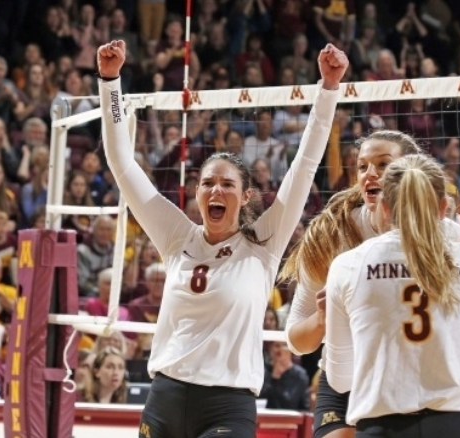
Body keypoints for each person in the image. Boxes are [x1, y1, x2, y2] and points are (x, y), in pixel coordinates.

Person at [96, 38, 347, 438]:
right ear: (196, 193)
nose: (215, 191)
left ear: (246, 196)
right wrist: (109, 81)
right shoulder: (176, 234)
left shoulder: (264, 242)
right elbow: (123, 165)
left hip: (227, 405)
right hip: (165, 397)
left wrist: (328, 89)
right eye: (207, 183)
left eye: (227, 185)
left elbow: (304, 167)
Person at [320, 154, 460, 437]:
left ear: (384, 208)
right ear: (444, 208)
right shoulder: (458, 258)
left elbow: (339, 378)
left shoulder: (349, 265)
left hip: (382, 427)